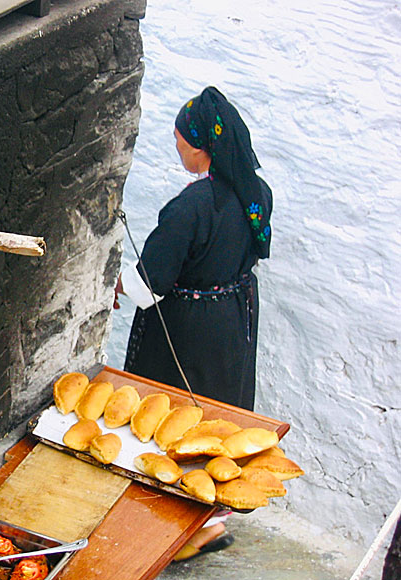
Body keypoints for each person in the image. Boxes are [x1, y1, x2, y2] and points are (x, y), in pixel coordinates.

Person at [114, 86, 273, 560]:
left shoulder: (190, 209)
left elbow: (151, 284)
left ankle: (183, 521)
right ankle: (213, 516)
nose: (177, 146)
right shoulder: (255, 193)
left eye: (182, 139)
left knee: (174, 413)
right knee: (220, 409)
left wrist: (119, 286)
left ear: (202, 146)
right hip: (234, 317)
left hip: (187, 330)